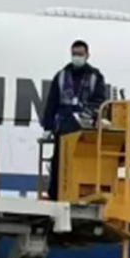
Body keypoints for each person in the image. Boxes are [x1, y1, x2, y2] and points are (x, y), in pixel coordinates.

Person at [42, 40, 108, 200]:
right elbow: (52, 101)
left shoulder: (95, 76)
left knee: (83, 163)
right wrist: (48, 126)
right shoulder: (61, 75)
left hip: (84, 128)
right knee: (59, 162)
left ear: (87, 55)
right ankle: (55, 195)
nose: (77, 57)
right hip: (63, 126)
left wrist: (91, 113)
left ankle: (84, 194)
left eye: (80, 54)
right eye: (74, 54)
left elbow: (100, 100)